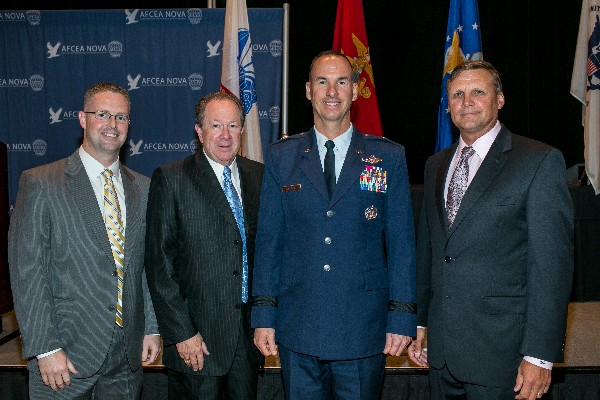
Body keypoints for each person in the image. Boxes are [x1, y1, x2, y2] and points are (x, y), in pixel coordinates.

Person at [251, 50, 417, 399]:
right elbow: (269, 241)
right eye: (322, 82)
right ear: (308, 90)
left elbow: (402, 243)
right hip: (299, 325)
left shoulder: (388, 157)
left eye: (342, 82)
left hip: (362, 327)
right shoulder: (283, 156)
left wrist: (402, 315)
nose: (332, 92)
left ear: (355, 91)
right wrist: (264, 313)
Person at [408, 60, 574, 400]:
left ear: (499, 99)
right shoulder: (435, 165)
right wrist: (422, 322)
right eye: (457, 94)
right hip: (440, 356)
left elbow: (551, 268)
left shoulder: (538, 161)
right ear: (448, 105)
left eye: (478, 92)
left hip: (505, 357)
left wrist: (539, 356)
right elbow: (431, 251)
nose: (466, 101)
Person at [8, 82, 161, 399]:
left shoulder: (143, 189)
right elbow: (28, 272)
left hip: (126, 358)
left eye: (121, 117)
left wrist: (151, 327)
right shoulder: (41, 182)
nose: (112, 125)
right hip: (64, 356)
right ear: (82, 118)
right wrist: (44, 347)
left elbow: (145, 267)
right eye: (102, 114)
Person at [145, 91, 264, 400]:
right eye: (215, 126)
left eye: (233, 126)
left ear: (242, 129)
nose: (225, 135)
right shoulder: (171, 179)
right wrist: (182, 333)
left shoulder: (259, 177)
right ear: (199, 131)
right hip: (196, 342)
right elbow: (160, 266)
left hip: (247, 341)